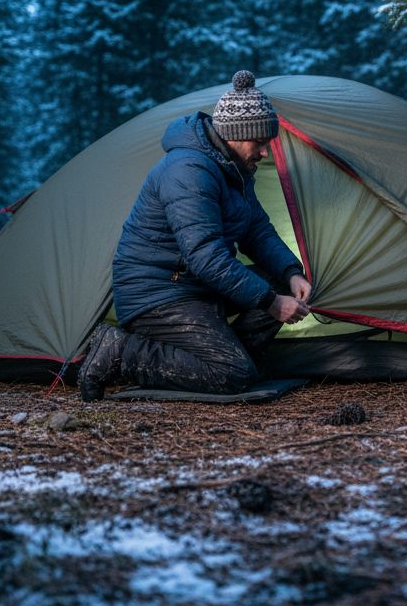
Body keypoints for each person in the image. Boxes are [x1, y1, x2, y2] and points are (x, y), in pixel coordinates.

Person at [78, 70, 312, 401]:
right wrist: (272, 304)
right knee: (233, 374)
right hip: (157, 293)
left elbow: (256, 229)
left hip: (193, 285)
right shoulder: (188, 170)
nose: (264, 152)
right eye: (259, 143)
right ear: (236, 134)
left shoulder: (233, 168)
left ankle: (227, 362)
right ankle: (119, 352)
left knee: (273, 283)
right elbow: (205, 256)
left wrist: (291, 273)